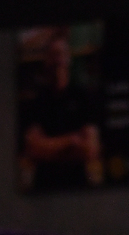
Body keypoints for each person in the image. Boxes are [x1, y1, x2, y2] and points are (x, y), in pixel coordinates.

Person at [20, 32, 103, 191]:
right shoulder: (36, 102)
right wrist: (71, 141)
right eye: (53, 55)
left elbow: (90, 150)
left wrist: (48, 147)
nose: (58, 60)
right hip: (44, 190)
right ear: (46, 61)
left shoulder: (83, 98)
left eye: (62, 54)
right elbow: (33, 150)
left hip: (78, 188)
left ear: (69, 59)